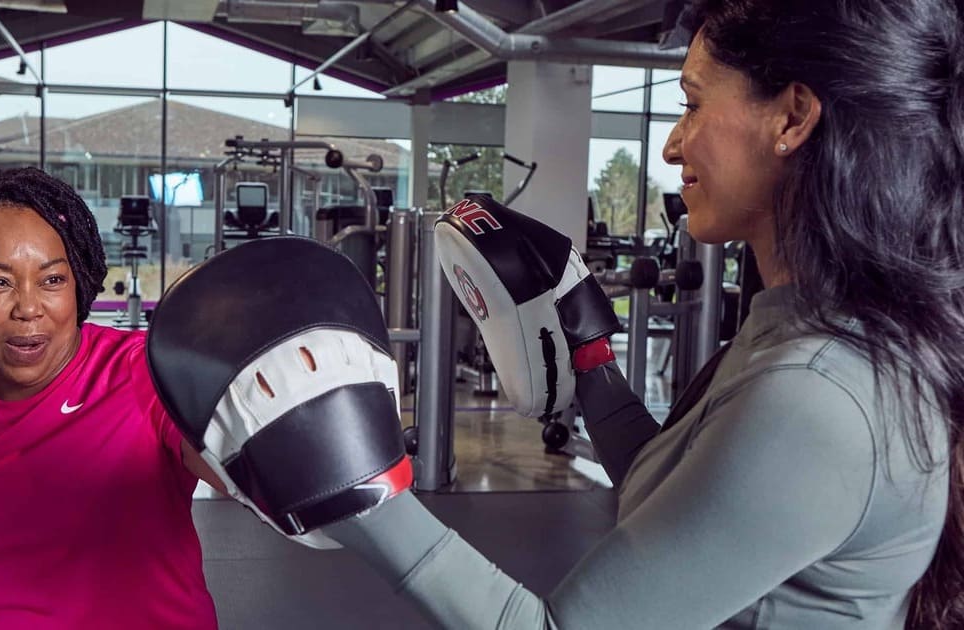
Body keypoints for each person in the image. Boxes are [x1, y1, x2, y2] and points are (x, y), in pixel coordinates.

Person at [148, 0, 964, 628]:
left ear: (792, 118)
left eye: (691, 104)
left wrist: (362, 496)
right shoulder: (804, 325)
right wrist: (590, 362)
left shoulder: (820, 391)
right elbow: (671, 505)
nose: (673, 144)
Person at [0, 167, 226, 630]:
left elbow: (242, 468)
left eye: (52, 279)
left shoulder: (146, 372)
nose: (28, 308)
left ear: (78, 282)